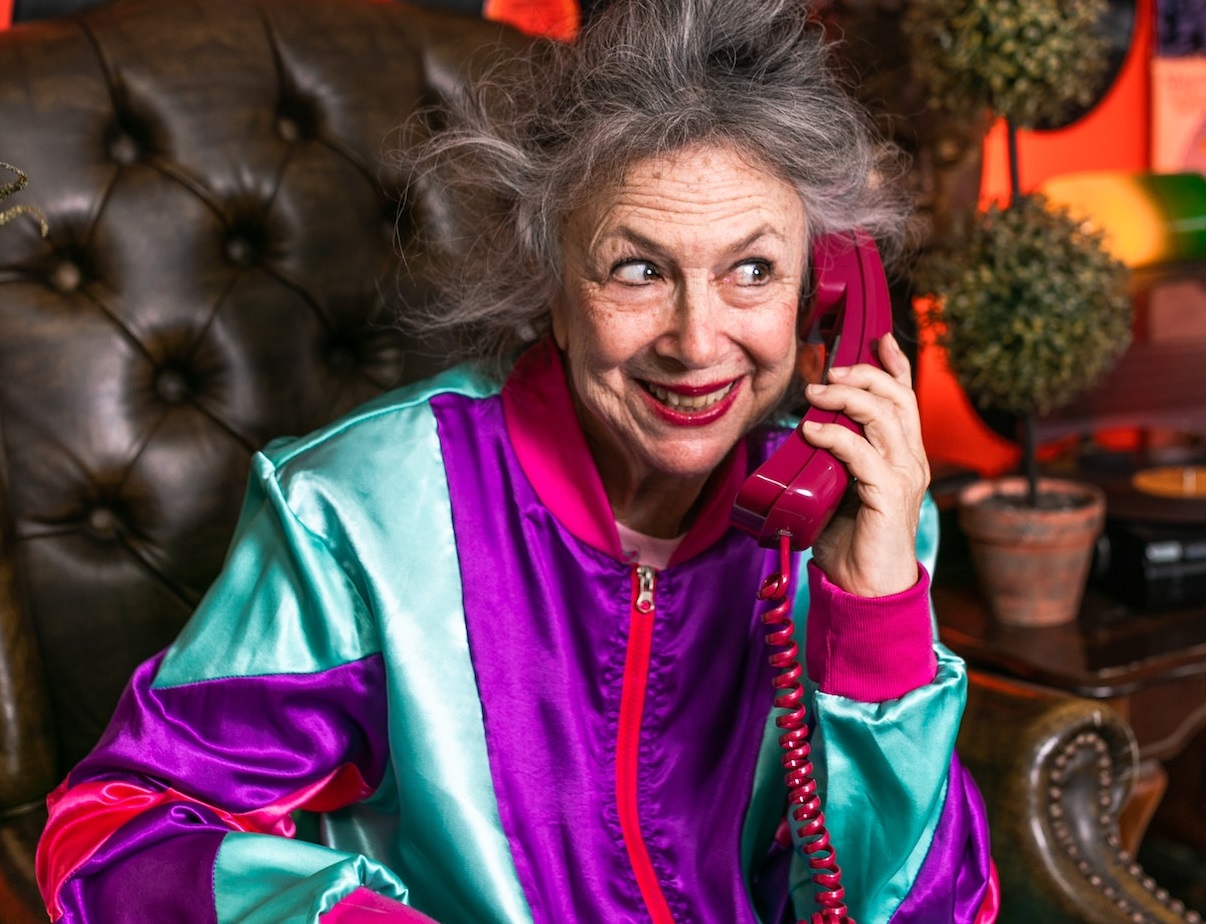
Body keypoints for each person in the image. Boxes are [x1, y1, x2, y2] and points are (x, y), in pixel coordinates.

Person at [35, 0, 997, 921]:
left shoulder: (855, 511)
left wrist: (876, 622)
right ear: (551, 283)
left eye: (752, 271)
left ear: (823, 291)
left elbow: (929, 910)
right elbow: (124, 828)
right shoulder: (359, 513)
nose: (698, 342)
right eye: (639, 269)